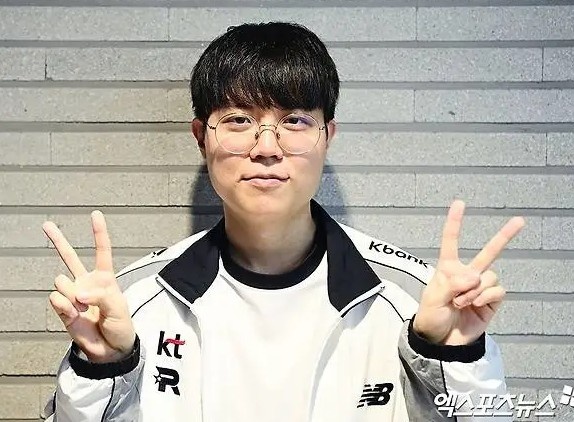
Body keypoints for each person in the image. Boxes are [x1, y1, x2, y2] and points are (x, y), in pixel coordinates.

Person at [42, 22, 525, 421]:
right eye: (239, 120)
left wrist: (454, 358)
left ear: (327, 136)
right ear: (200, 137)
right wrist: (103, 367)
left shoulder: (416, 302)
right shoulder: (133, 304)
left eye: (294, 120)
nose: (267, 147)